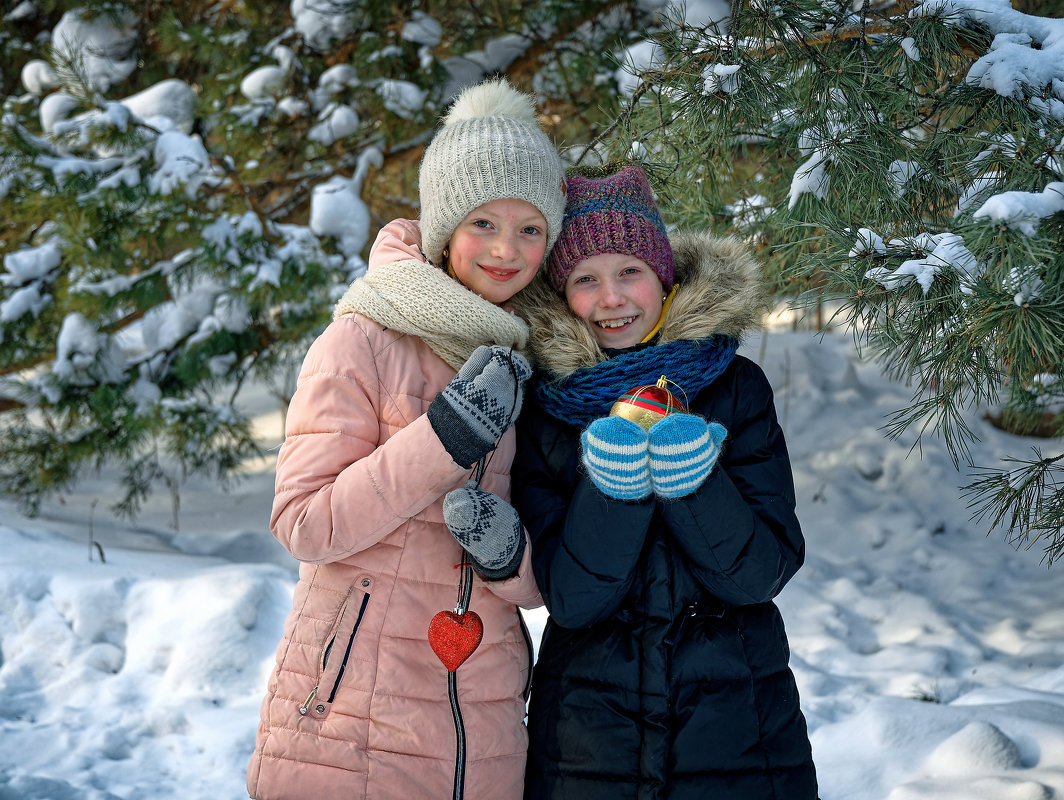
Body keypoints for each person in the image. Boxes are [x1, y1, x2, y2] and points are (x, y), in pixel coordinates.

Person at [246, 79, 566, 800]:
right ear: (443, 225)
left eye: (530, 229)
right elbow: (304, 522)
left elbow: (547, 579)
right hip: (350, 719)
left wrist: (511, 557)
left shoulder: (533, 360)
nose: (506, 251)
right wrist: (444, 438)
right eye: (484, 223)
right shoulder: (364, 335)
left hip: (479, 730)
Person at [508, 165, 819, 799]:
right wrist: (612, 490)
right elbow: (570, 599)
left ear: (664, 279)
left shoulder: (736, 389)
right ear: (560, 296)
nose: (612, 298)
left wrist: (694, 484)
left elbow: (760, 574)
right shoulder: (543, 407)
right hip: (591, 742)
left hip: (737, 727)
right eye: (584, 280)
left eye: (629, 272)